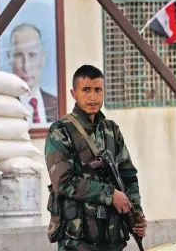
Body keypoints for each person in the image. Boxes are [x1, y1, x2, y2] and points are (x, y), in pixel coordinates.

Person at [45, 64, 146, 250]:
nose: (93, 97)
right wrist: (110, 194)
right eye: (86, 90)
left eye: (98, 90)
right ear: (73, 93)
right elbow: (63, 182)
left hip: (112, 236)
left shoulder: (111, 130)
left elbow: (128, 175)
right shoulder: (60, 131)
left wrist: (136, 212)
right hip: (77, 239)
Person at [7, 23, 58, 123]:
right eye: (18, 55)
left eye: (32, 55)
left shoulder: (57, 105)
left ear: (43, 58)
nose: (26, 67)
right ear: (9, 58)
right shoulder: (3, 107)